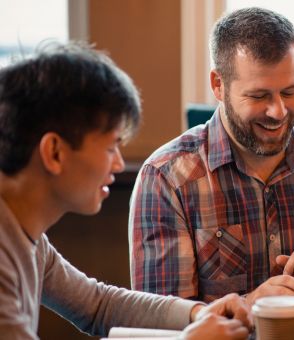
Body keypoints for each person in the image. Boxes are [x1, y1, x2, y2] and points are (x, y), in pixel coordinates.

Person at [128, 7, 294, 305]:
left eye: (290, 92)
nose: (278, 111)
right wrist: (250, 307)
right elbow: (162, 328)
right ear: (218, 85)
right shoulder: (166, 178)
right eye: (258, 96)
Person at [0, 42, 251, 339]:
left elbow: (98, 305)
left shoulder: (27, 237)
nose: (119, 164)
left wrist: (197, 313)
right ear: (54, 152)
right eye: (110, 147)